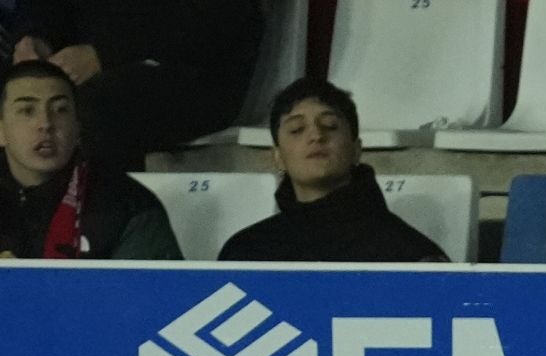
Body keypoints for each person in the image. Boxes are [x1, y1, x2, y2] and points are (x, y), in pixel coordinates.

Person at [10, 0, 262, 172]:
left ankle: (108, 221)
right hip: (86, 60)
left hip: (193, 70)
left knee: (93, 108)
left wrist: (104, 53)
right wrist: (38, 37)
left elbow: (218, 16)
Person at [219, 78, 447, 264]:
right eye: (297, 129)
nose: (316, 136)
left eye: (330, 126)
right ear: (278, 157)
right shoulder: (244, 253)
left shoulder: (410, 255)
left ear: (356, 150)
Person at [0, 58, 178, 258]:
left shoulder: (127, 205)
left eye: (61, 109)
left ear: (78, 127)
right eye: (27, 111)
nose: (46, 124)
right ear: (1, 130)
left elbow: (146, 278)